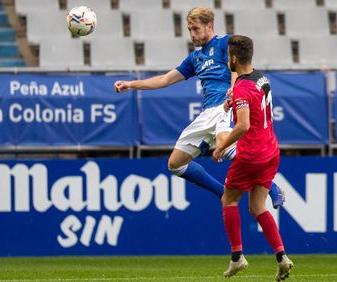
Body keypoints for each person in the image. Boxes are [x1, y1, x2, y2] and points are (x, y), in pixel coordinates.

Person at [114, 7, 284, 208]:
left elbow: (238, 68)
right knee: (175, 164)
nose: (192, 35)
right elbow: (166, 79)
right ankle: (221, 192)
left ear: (209, 26)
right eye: (189, 30)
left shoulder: (224, 43)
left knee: (225, 143)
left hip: (226, 105)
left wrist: (234, 89)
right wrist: (131, 84)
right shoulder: (195, 59)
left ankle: (272, 186)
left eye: (195, 29)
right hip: (207, 113)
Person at [212, 35, 293, 280]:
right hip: (270, 151)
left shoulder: (243, 87)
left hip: (251, 154)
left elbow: (243, 125)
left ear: (234, 58)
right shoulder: (261, 78)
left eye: (228, 57)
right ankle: (282, 257)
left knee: (229, 200)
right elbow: (252, 106)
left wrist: (221, 147)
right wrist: (233, 102)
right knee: (257, 206)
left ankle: (237, 257)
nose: (227, 60)